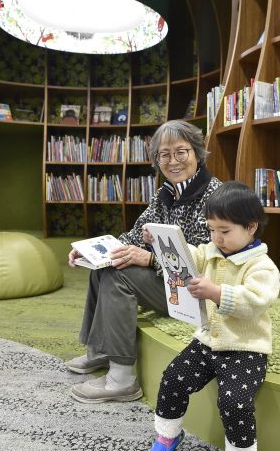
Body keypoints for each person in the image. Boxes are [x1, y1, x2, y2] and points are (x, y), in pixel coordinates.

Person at [67, 120, 221, 403]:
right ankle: (99, 351)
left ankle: (122, 379)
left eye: (181, 152)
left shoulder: (214, 197)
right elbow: (136, 234)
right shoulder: (165, 194)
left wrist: (150, 259)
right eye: (164, 154)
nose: (172, 161)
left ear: (197, 153)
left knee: (118, 275)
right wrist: (92, 251)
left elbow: (205, 263)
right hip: (170, 283)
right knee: (106, 266)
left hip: (198, 294)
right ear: (156, 159)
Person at [144, 181, 280, 451]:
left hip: (245, 348)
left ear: (250, 228)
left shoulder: (261, 265)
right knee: (173, 378)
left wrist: (217, 293)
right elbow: (189, 256)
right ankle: (167, 436)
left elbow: (256, 300)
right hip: (207, 341)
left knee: (233, 401)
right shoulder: (211, 250)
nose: (216, 237)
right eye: (211, 229)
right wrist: (162, 244)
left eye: (224, 230)